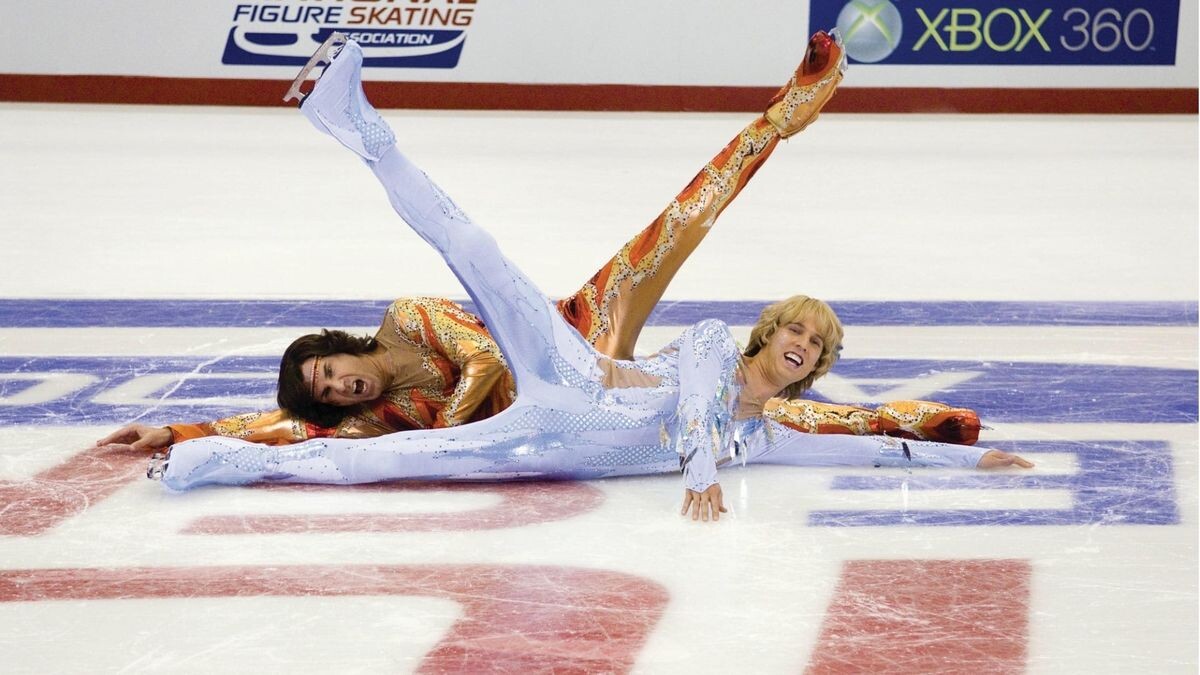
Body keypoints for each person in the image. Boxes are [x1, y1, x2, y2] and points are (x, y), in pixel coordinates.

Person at [151, 32, 1032, 520]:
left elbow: (847, 440)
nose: (340, 386)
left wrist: (967, 456)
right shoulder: (719, 354)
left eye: (331, 371)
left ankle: (780, 119)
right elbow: (311, 419)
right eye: (330, 393)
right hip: (567, 368)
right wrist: (695, 466)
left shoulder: (411, 322)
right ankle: (355, 120)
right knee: (477, 254)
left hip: (556, 404)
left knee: (683, 223)